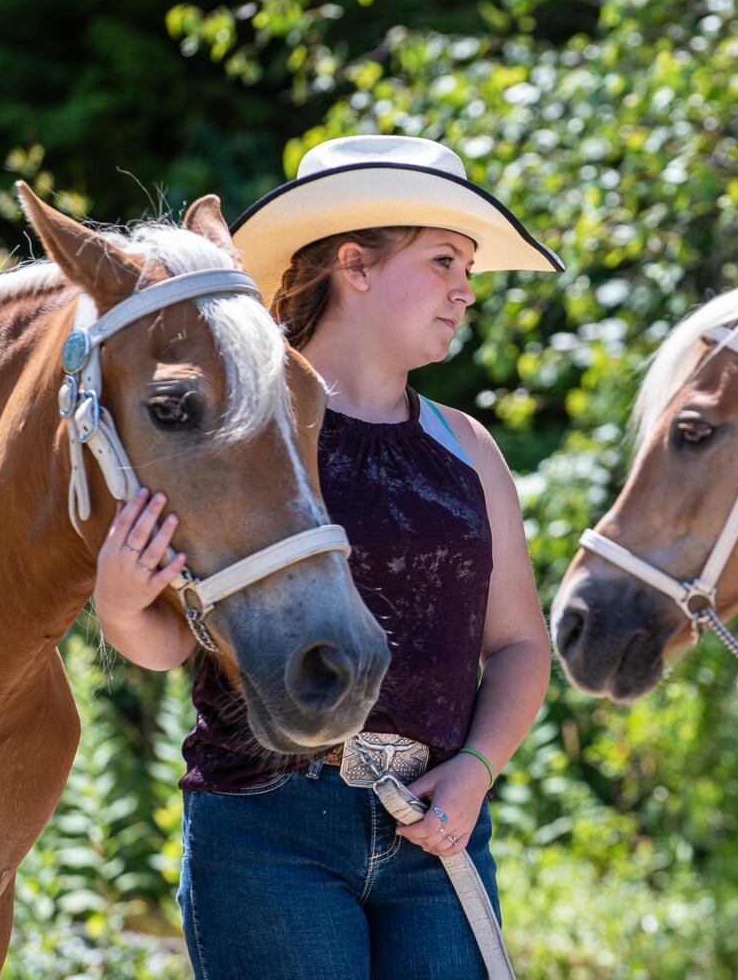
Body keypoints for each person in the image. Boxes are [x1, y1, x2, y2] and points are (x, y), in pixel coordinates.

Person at [91, 134, 563, 978]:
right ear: (357, 264)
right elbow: (175, 642)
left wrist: (477, 773)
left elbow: (523, 644)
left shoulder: (471, 449)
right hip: (269, 827)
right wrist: (123, 603)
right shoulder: (247, 429)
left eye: (470, 269)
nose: (467, 290)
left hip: (437, 821)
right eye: (446, 260)